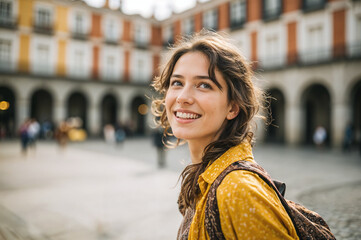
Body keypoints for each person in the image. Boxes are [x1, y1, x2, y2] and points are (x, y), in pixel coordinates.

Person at [152, 30, 300, 239]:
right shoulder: (206, 177)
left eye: (204, 85)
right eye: (177, 83)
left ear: (233, 107)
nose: (183, 97)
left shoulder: (238, 190)